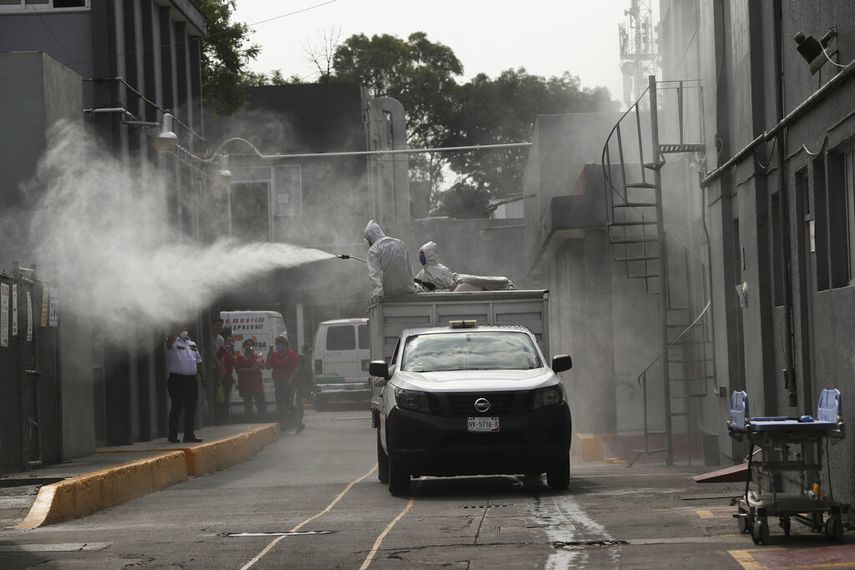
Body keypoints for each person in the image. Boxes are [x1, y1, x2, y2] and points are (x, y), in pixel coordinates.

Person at [165, 326, 206, 443]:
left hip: (191, 380)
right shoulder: (172, 341)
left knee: (191, 408)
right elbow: (168, 344)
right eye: (181, 327)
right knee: (177, 407)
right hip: (177, 379)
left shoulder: (192, 343)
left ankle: (189, 435)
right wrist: (173, 334)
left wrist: (203, 377)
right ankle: (172, 435)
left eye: (185, 327)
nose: (184, 329)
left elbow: (198, 361)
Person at [364, 219, 415, 304]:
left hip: (389, 297)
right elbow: (409, 270)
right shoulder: (400, 243)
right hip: (407, 293)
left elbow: (375, 276)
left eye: (368, 240)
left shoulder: (374, 250)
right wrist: (412, 287)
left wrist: (376, 297)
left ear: (371, 236)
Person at [266, 333, 303, 432]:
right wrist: (269, 354)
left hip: (288, 382)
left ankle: (298, 422)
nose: (277, 346)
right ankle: (283, 423)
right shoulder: (274, 355)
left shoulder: (291, 354)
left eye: (279, 344)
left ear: (284, 345)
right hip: (278, 382)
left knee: (288, 402)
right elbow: (268, 367)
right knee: (279, 403)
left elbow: (296, 367)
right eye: (276, 344)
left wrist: (291, 379)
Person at [235, 338, 266, 420]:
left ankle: (263, 420)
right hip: (245, 385)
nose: (249, 347)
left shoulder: (258, 355)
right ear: (243, 347)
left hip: (256, 385)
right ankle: (249, 420)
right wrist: (251, 369)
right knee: (248, 405)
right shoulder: (240, 357)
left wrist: (245, 369)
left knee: (260, 404)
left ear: (253, 347)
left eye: (250, 345)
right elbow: (238, 370)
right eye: (247, 345)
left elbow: (263, 366)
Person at [217, 327, 236, 422]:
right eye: (229, 336)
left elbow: (234, 362)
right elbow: (218, 357)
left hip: (228, 376)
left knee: (226, 398)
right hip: (220, 375)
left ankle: (225, 417)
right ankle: (220, 417)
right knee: (221, 398)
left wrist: (230, 351)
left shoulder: (229, 348)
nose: (231, 338)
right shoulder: (221, 347)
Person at [209, 318, 226, 423]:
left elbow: (221, 354)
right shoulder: (208, 337)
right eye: (217, 325)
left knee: (218, 394)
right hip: (209, 368)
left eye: (220, 325)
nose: (219, 327)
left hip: (216, 369)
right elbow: (211, 352)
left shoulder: (220, 339)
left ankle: (219, 418)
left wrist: (222, 367)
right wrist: (218, 363)